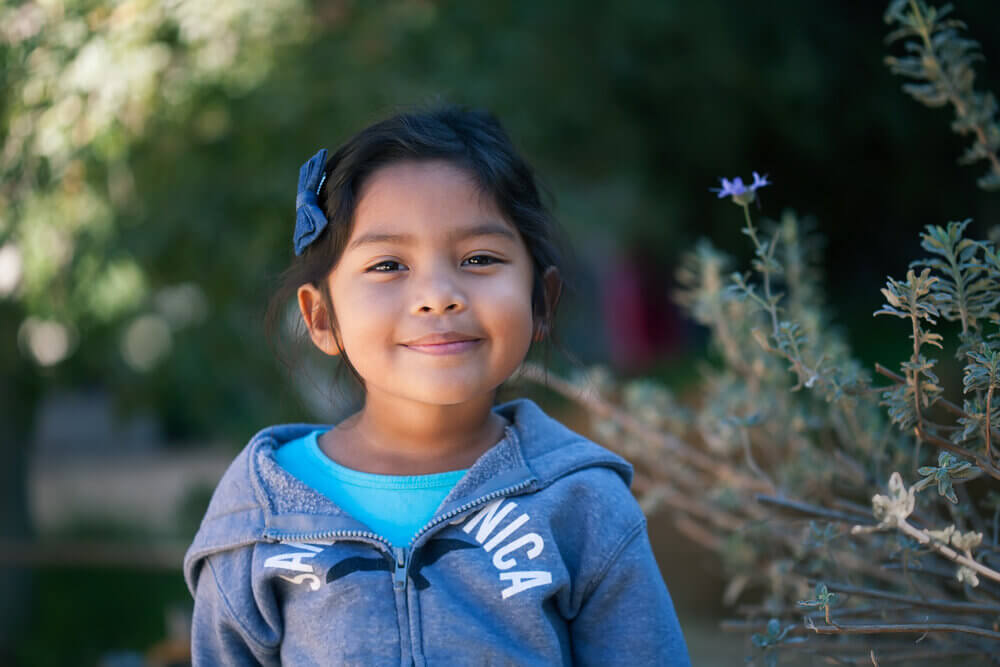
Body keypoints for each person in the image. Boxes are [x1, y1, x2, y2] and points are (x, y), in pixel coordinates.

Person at [183, 106, 691, 666]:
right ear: (322, 318)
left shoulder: (583, 504)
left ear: (540, 300)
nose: (437, 295)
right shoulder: (260, 518)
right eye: (388, 265)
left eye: (479, 258)